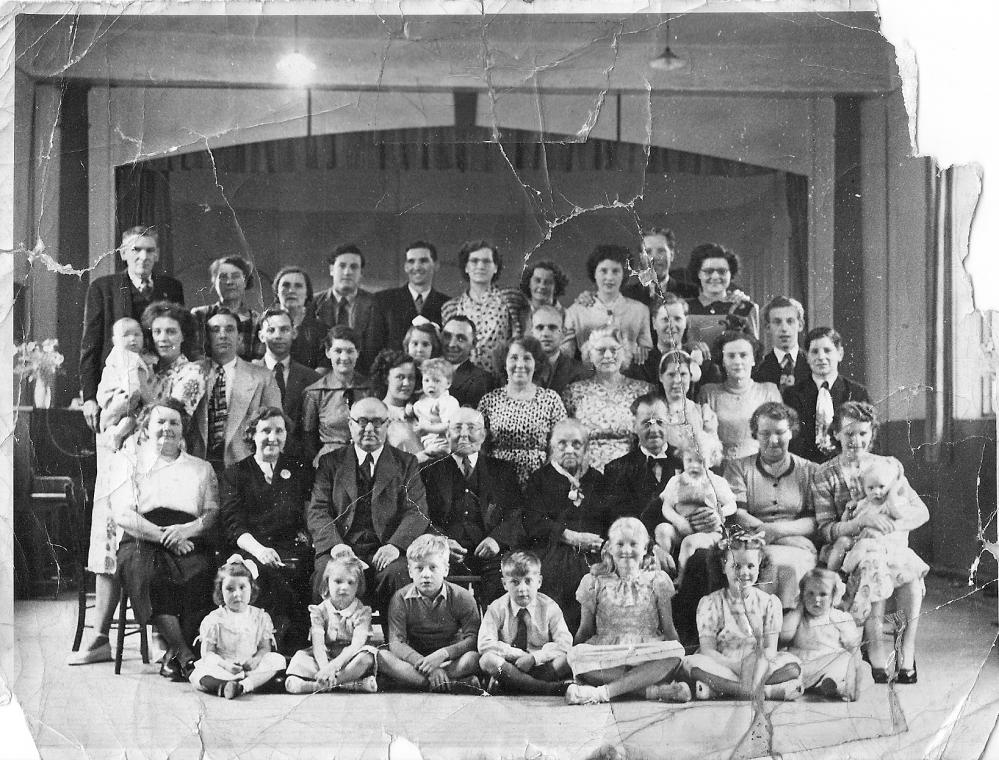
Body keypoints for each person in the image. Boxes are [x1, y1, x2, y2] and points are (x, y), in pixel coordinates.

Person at [69, 301, 208, 667]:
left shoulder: (191, 372)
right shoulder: (138, 363)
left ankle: (166, 639)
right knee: (110, 539)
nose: (163, 338)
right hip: (125, 461)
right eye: (157, 331)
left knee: (149, 546)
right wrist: (121, 403)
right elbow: (108, 406)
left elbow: (166, 416)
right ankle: (100, 636)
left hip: (164, 466)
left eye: (171, 332)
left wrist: (131, 402)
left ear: (183, 336)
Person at [812, 401, 927, 684]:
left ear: (871, 433)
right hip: (847, 548)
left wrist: (891, 528)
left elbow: (921, 511)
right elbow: (825, 530)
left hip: (889, 545)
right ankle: (875, 648)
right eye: (848, 433)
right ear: (836, 433)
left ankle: (905, 651)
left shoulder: (889, 467)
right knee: (873, 566)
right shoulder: (825, 473)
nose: (856, 440)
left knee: (910, 577)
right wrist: (862, 523)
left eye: (863, 433)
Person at [112, 399, 220, 680]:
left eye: (174, 422)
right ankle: (185, 654)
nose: (167, 428)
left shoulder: (201, 468)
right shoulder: (131, 462)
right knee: (149, 575)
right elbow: (123, 514)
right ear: (146, 428)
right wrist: (164, 536)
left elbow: (211, 513)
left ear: (183, 429)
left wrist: (185, 531)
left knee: (202, 572)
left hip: (187, 535)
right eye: (160, 422)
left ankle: (173, 654)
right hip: (142, 537)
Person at [306, 397, 430, 611]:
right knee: (327, 570)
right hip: (341, 545)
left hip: (386, 547)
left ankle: (396, 640)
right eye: (362, 421)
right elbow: (318, 511)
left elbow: (416, 512)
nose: (370, 429)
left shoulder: (406, 463)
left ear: (388, 424)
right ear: (350, 424)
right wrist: (336, 545)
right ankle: (324, 639)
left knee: (398, 573)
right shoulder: (330, 463)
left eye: (378, 422)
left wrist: (395, 546)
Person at [219, 407, 314, 653]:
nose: (273, 437)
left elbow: (309, 512)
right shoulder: (236, 474)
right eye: (265, 431)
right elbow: (233, 524)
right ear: (252, 435)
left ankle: (296, 649)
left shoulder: (299, 470)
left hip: (291, 546)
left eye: (279, 431)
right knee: (263, 574)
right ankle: (268, 649)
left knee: (308, 572)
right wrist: (260, 551)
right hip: (251, 548)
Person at [566, 517, 689, 705]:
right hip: (608, 653)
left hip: (646, 650)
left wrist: (677, 659)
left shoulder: (657, 580)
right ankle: (650, 690)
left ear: (645, 548)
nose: (626, 550)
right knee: (575, 656)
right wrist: (575, 661)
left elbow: (669, 628)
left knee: (674, 651)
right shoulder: (593, 582)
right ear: (610, 548)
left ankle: (602, 693)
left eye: (633, 544)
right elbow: (585, 629)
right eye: (620, 544)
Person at [80, 226, 184, 431]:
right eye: (136, 249)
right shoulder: (102, 288)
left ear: (157, 255)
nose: (143, 256)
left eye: (150, 250)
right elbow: (90, 346)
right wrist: (89, 398)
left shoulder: (171, 288)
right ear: (124, 253)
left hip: (160, 386)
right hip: (119, 390)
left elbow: (181, 337)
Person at [683, 529, 804, 701]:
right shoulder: (711, 602)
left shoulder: (769, 602)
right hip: (724, 663)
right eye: (736, 566)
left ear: (760, 563)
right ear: (723, 565)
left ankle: (724, 690)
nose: (744, 573)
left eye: (750, 566)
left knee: (793, 666)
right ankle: (762, 692)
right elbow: (708, 649)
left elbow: (770, 648)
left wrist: (753, 666)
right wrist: (735, 666)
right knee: (694, 665)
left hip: (758, 664)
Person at [421, 407, 524, 603]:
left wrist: (496, 539)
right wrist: (442, 543)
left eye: (472, 428)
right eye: (458, 428)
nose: (464, 435)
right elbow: (422, 515)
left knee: (502, 584)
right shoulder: (428, 471)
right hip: (445, 552)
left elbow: (516, 513)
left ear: (483, 435)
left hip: (491, 552)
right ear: (447, 433)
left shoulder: (503, 470)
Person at [724, 402, 819, 610]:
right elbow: (738, 514)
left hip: (798, 546)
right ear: (755, 434)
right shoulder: (738, 468)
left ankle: (785, 631)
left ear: (791, 433)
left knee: (792, 566)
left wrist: (776, 530)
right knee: (769, 563)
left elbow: (814, 520)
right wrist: (781, 535)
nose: (773, 440)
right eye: (765, 433)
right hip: (752, 543)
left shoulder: (809, 470)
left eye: (780, 432)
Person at [522, 419, 608, 631]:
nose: (569, 449)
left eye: (576, 444)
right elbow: (532, 520)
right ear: (552, 447)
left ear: (586, 448)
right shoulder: (539, 480)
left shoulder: (597, 479)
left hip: (593, 552)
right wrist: (569, 536)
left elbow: (609, 519)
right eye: (562, 444)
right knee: (557, 575)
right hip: (552, 550)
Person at [824, 456, 929, 622]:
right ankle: (832, 575)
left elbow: (904, 515)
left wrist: (893, 493)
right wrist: (848, 511)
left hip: (883, 544)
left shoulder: (891, 503)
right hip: (860, 541)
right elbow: (847, 524)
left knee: (864, 546)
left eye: (881, 487)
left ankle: (845, 571)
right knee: (842, 542)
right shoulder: (863, 503)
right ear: (864, 488)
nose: (876, 492)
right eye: (871, 488)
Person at [377, 535, 482, 693]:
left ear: (445, 569)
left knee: (473, 658)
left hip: (449, 660)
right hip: (415, 662)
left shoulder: (462, 596)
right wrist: (428, 666)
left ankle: (420, 683)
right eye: (419, 568)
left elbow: (473, 638)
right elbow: (396, 643)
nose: (426, 574)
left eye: (433, 567)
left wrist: (443, 655)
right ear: (410, 571)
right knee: (382, 656)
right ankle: (451, 683)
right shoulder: (400, 598)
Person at [189, 308, 282, 471]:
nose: (223, 335)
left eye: (229, 329)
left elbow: (275, 427)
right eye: (215, 330)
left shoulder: (263, 377)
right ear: (208, 338)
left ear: (239, 338)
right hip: (197, 468)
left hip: (246, 471)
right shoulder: (192, 372)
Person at [188, 555, 287, 699]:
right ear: (220, 591)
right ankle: (222, 685)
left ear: (251, 589)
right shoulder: (215, 619)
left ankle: (242, 686)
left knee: (277, 660)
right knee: (199, 675)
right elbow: (207, 653)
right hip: (224, 666)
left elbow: (265, 648)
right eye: (229, 589)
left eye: (242, 588)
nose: (237, 594)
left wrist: (256, 660)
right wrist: (225, 665)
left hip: (250, 666)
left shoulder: (260, 617)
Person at [285, 545, 380, 694]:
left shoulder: (362, 612)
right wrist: (325, 668)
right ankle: (350, 684)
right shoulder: (319, 611)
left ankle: (318, 686)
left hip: (348, 658)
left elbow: (356, 645)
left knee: (366, 658)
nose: (344, 588)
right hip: (324, 656)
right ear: (327, 583)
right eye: (338, 581)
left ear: (358, 586)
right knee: (299, 658)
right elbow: (318, 644)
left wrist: (333, 667)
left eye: (350, 582)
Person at [477, 551, 573, 696]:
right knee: (487, 660)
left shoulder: (549, 606)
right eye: (515, 582)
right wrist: (518, 655)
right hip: (510, 666)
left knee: (569, 658)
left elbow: (565, 643)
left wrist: (534, 658)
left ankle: (514, 686)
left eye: (528, 581)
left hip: (541, 665)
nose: (522, 589)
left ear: (539, 582)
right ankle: (546, 689)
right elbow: (484, 643)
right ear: (504, 584)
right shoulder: (497, 608)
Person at [477, 337, 568, 486]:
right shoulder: (489, 400)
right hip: (498, 481)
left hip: (540, 482)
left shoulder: (551, 399)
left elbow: (560, 445)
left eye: (527, 358)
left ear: (536, 364)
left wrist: (547, 479)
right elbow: (481, 447)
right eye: (513, 358)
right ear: (504, 363)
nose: (520, 364)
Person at [562, 326, 654, 472]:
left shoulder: (643, 391)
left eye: (614, 349)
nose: (608, 355)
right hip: (586, 476)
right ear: (589, 355)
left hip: (630, 476)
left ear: (624, 353)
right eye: (600, 350)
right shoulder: (574, 392)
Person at [655, 435, 737, 587]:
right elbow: (666, 506)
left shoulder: (717, 482)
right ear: (682, 458)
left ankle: (680, 579)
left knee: (689, 542)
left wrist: (719, 514)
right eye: (689, 460)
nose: (694, 466)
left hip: (710, 533)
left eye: (700, 461)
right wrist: (678, 521)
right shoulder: (676, 481)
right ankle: (664, 570)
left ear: (712, 460)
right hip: (682, 528)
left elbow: (732, 505)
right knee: (662, 530)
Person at [440, 240, 528, 378]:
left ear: (496, 267)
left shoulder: (511, 298)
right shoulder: (450, 307)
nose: (480, 266)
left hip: (501, 379)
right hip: (464, 380)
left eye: (487, 261)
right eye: (474, 261)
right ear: (466, 267)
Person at [781, 568, 872, 701]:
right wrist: (798, 610)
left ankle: (834, 686)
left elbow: (853, 646)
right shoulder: (798, 617)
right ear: (802, 595)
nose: (816, 599)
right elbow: (784, 636)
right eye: (810, 594)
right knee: (847, 660)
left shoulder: (839, 618)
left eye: (823, 594)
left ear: (833, 597)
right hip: (802, 667)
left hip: (828, 667)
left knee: (861, 666)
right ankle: (837, 685)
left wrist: (856, 664)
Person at [783, 327, 870, 463]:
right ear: (807, 357)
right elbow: (790, 441)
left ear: (840, 354)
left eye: (827, 350)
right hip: (805, 469)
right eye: (815, 352)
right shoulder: (792, 395)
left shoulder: (857, 393)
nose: (821, 357)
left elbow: (870, 439)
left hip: (846, 467)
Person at [601, 392, 683, 534]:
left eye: (659, 422)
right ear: (634, 426)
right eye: (646, 423)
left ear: (669, 421)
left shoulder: (686, 462)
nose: (654, 430)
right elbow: (621, 522)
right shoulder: (617, 469)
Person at [698, 331, 781, 463]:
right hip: (720, 468)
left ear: (753, 359)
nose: (737, 361)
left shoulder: (768, 391)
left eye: (743, 355)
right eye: (731, 356)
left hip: (760, 468)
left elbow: (778, 437)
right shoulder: (709, 393)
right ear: (723, 361)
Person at [564, 244, 653, 364]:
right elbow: (566, 355)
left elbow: (646, 350)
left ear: (624, 274)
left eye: (616, 271)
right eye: (603, 271)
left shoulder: (640, 310)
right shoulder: (576, 311)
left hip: (629, 374)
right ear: (594, 273)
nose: (609, 277)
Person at [300, 325, 374, 465]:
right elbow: (308, 439)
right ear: (328, 352)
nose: (344, 357)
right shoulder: (315, 393)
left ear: (358, 352)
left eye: (350, 351)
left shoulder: (369, 389)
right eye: (338, 351)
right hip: (330, 463)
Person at [253, 307, 321, 456]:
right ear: (261, 336)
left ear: (294, 333)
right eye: (271, 330)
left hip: (299, 460)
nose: (278, 336)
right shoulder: (248, 374)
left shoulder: (312, 379)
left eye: (284, 330)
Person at [312, 244, 380, 373]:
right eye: (342, 266)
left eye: (354, 267)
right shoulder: (313, 303)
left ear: (361, 273)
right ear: (331, 269)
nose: (347, 272)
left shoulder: (375, 304)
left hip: (362, 378)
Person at [684, 243, 760, 353]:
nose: (715, 277)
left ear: (731, 273)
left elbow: (755, 352)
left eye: (722, 271)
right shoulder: (684, 308)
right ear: (698, 273)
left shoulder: (746, 308)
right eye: (708, 271)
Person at [375, 241, 449, 352]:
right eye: (411, 261)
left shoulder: (447, 304)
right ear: (405, 267)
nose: (417, 267)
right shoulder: (383, 300)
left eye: (423, 261)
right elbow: (374, 347)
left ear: (436, 265)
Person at [96, 317, 156, 451]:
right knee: (132, 418)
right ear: (114, 340)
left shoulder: (132, 355)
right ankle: (116, 435)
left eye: (137, 334)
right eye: (126, 335)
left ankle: (115, 435)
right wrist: (136, 394)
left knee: (130, 420)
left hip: (115, 400)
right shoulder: (125, 356)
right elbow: (131, 380)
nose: (132, 339)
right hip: (120, 396)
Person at [191, 255, 260, 360]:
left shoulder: (257, 320)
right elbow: (195, 356)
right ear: (214, 282)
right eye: (223, 277)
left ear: (245, 282)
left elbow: (257, 361)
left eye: (236, 276)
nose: (229, 282)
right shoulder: (199, 315)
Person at [270, 266, 327, 370]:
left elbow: (324, 368)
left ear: (307, 294)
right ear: (277, 293)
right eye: (285, 285)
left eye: (298, 286)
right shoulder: (265, 326)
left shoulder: (322, 330)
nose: (291, 290)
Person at [530, 305, 591, 396]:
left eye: (552, 327)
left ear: (563, 333)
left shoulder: (580, 372)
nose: (546, 333)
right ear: (532, 333)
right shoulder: (521, 369)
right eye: (540, 328)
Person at [753, 296, 809, 391]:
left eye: (790, 321)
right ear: (767, 327)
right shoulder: (758, 368)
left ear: (800, 325)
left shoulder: (811, 364)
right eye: (777, 322)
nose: (784, 328)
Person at [441, 315, 494, 407]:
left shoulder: (480, 380)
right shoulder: (429, 369)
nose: (452, 344)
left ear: (473, 344)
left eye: (460, 339)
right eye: (447, 336)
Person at [413, 357, 460, 439]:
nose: (431, 385)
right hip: (426, 441)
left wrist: (427, 428)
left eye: (436, 381)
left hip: (443, 441)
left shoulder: (447, 401)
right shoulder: (423, 400)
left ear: (448, 383)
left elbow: (449, 425)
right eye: (426, 380)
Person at [519, 259, 571, 331]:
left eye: (548, 282)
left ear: (556, 286)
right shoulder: (519, 316)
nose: (542, 286)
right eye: (537, 281)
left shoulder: (568, 316)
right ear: (529, 284)